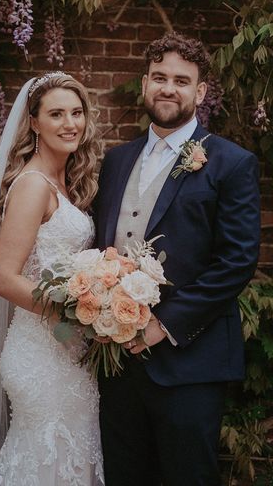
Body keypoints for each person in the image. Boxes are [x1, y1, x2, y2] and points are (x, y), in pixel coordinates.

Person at [94, 32, 260, 486]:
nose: (169, 88)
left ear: (200, 92)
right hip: (116, 362)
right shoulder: (115, 160)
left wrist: (162, 325)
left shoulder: (231, 163)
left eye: (181, 81)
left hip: (189, 362)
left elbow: (237, 260)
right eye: (160, 77)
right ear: (145, 84)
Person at [0, 72, 104, 486]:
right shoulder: (32, 185)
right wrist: (78, 310)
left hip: (64, 344)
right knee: (50, 461)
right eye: (57, 114)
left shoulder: (64, 182)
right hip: (41, 355)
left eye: (77, 113)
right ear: (34, 122)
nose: (70, 124)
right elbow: (3, 277)